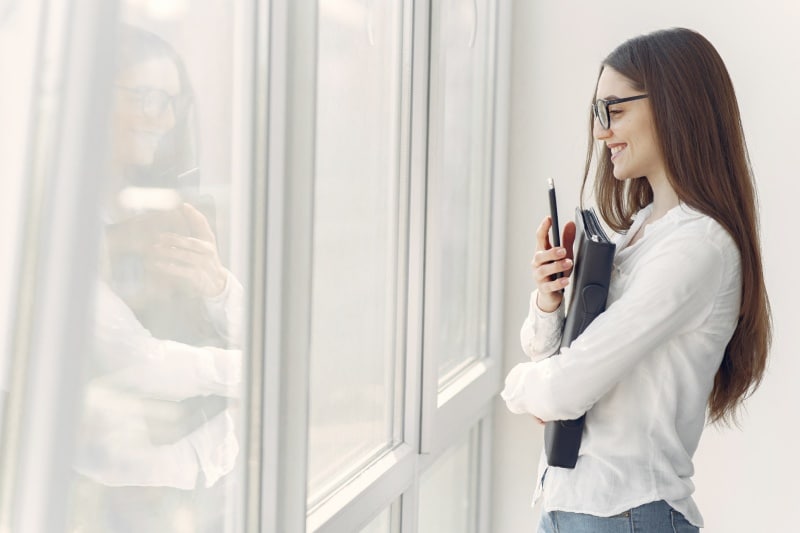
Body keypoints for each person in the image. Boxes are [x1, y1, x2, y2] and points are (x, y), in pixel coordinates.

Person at [501, 27, 771, 533]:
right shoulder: (638, 232)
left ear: (675, 105)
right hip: (577, 508)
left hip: (627, 515)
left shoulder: (698, 247)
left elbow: (564, 389)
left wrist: (516, 388)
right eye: (597, 115)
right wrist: (548, 300)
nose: (601, 132)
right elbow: (557, 366)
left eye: (614, 110)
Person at [70, 25, 244, 533]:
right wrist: (253, 370)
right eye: (147, 98)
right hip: (127, 500)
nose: (164, 119)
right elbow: (134, 362)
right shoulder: (60, 225)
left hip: (214, 475)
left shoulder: (159, 205)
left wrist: (218, 287)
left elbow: (241, 317)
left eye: (172, 102)